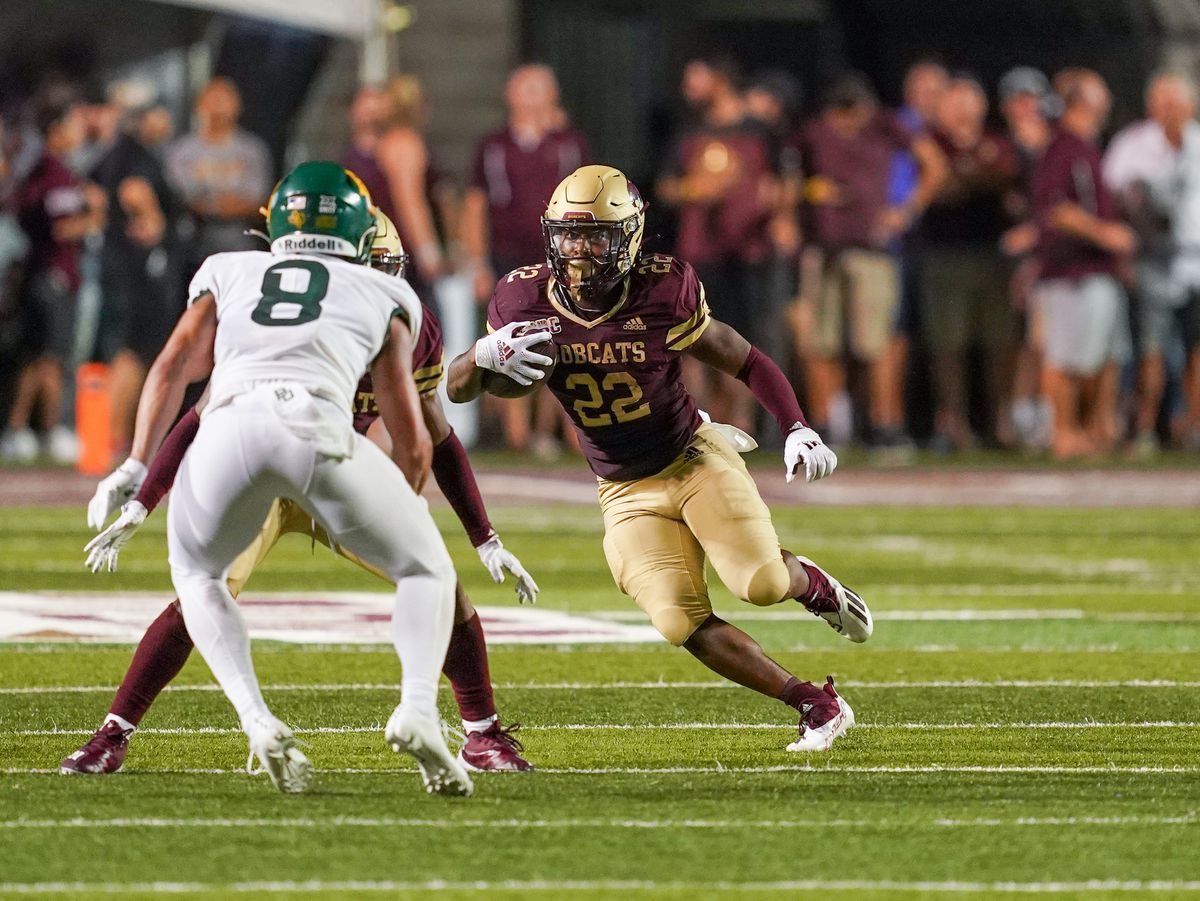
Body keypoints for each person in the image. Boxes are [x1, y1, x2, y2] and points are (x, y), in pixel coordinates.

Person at [65, 210, 537, 778]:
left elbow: (435, 435)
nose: (382, 286)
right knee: (200, 598)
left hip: (334, 476)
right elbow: (199, 411)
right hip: (276, 477)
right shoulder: (287, 321)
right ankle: (114, 732)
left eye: (391, 272)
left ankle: (481, 735)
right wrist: (144, 494)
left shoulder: (405, 327)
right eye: (374, 270)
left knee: (445, 591)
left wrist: (484, 538)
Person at [447, 165, 872, 753]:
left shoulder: (662, 289)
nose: (580, 251)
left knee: (763, 582)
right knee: (677, 620)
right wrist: (483, 354)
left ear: (629, 236)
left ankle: (813, 585)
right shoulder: (522, 296)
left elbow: (742, 358)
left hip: (692, 456)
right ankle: (811, 701)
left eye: (596, 236)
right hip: (622, 486)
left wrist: (797, 427)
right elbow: (459, 389)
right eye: (569, 235)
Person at [794, 72, 946, 452]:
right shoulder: (814, 132)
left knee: (876, 342)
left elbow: (935, 165)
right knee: (821, 341)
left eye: (852, 111)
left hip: (872, 249)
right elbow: (789, 179)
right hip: (824, 246)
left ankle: (884, 423)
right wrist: (809, 192)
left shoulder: (886, 126)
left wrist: (905, 211)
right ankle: (825, 424)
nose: (845, 121)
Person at [461, 64, 590, 455]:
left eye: (539, 88)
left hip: (557, 256)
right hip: (506, 254)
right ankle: (517, 435)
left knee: (562, 337)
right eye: (524, 88)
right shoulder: (493, 146)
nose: (531, 96)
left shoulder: (569, 143)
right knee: (506, 336)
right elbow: (476, 204)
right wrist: (477, 260)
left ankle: (553, 431)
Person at [658, 55, 776, 433]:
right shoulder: (687, 131)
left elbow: (782, 182)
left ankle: (743, 424)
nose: (687, 86)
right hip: (699, 252)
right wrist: (698, 188)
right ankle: (699, 423)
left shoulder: (760, 131)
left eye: (697, 77)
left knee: (740, 339)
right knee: (692, 338)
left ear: (721, 80)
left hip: (747, 251)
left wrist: (777, 212)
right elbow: (666, 187)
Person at [1032, 71, 1136, 458]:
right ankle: (1063, 432)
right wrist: (1104, 233)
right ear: (1082, 100)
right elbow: (1056, 208)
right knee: (1066, 355)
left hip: (1098, 269)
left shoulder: (1088, 146)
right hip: (1070, 270)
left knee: (1106, 356)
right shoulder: (1063, 147)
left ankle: (1097, 430)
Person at [1104, 72, 1200, 455]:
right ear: (1151, 107)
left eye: (1178, 104)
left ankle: (1193, 426)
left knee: (1197, 349)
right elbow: (1109, 200)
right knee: (1151, 349)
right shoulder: (1132, 145)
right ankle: (1145, 427)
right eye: (1164, 104)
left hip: (1196, 258)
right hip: (1151, 259)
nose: (1171, 111)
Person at [922, 77, 1020, 450]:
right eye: (955, 102)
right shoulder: (930, 142)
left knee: (999, 341)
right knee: (949, 343)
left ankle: (1000, 421)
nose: (963, 111)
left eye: (969, 101)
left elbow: (1007, 178)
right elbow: (941, 188)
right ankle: (955, 423)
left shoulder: (997, 141)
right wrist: (979, 176)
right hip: (945, 254)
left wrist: (969, 176)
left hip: (991, 253)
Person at [1, 90, 96, 463]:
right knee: (52, 356)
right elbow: (61, 228)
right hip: (53, 272)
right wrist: (94, 217)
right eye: (70, 124)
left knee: (40, 356)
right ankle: (50, 428)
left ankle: (20, 428)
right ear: (56, 129)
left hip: (50, 272)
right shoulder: (51, 171)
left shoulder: (57, 169)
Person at [89, 80, 180, 460]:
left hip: (118, 259)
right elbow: (133, 190)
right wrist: (154, 222)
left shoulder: (116, 153)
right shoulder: (137, 154)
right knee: (135, 347)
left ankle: (115, 437)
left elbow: (92, 191)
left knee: (131, 346)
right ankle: (114, 438)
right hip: (136, 265)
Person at [998, 67, 1057, 451]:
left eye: (1032, 98)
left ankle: (1034, 418)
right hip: (1005, 257)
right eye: (1020, 99)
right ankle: (1014, 418)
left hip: (1047, 253)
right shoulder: (1003, 148)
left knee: (1041, 339)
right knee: (1012, 340)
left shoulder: (1053, 145)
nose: (1027, 107)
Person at [166, 77, 271, 276]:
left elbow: (257, 200)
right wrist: (219, 204)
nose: (218, 107)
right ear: (199, 104)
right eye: (212, 99)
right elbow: (183, 197)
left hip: (242, 249)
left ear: (237, 105)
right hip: (192, 250)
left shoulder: (252, 150)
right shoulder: (182, 151)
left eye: (224, 100)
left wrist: (213, 204)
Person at [375, 76, 447, 297]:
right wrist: (428, 251)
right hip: (402, 250)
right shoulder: (406, 144)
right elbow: (409, 200)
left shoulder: (384, 142)